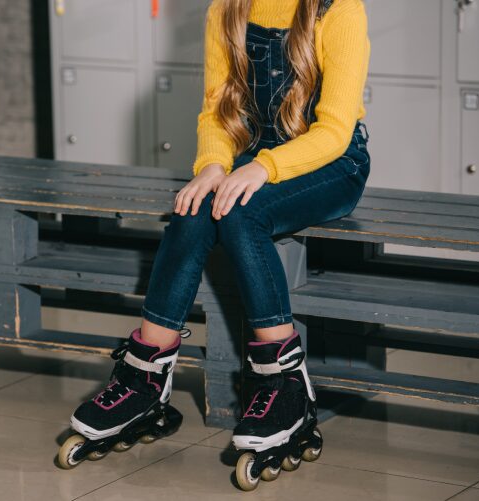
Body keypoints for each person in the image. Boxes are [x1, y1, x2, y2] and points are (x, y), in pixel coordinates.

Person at [59, 0, 370, 485]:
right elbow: (217, 110)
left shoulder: (340, 10)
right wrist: (211, 166)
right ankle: (144, 378)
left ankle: (284, 381)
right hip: (255, 155)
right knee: (192, 210)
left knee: (243, 213)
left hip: (330, 164)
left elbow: (333, 131)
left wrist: (261, 168)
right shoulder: (226, 9)